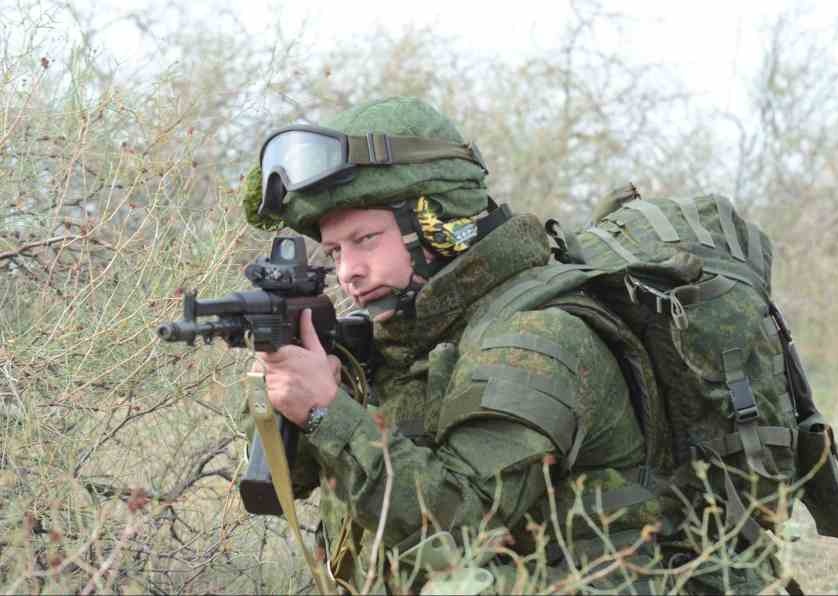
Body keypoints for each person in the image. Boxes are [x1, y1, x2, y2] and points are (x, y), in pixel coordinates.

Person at [242, 97, 778, 594]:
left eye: (366, 240)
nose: (349, 272)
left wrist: (326, 412)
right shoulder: (414, 336)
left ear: (440, 224)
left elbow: (457, 525)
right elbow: (298, 484)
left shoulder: (536, 337)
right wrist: (301, 396)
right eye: (335, 251)